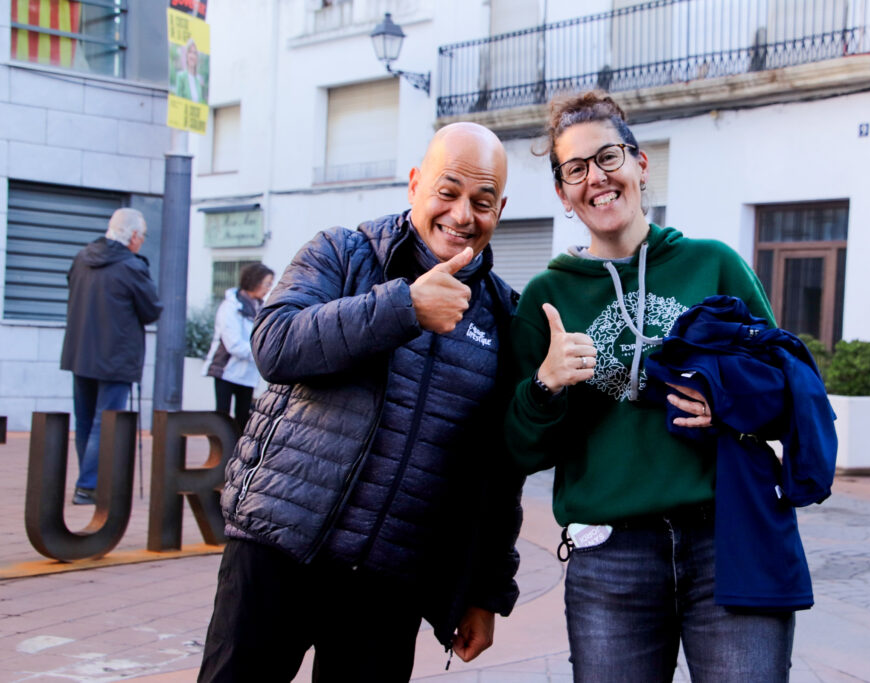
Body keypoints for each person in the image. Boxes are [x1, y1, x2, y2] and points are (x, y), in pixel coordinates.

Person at [199, 122, 525, 682]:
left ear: (501, 208)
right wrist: (403, 308)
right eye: (447, 192)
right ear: (415, 184)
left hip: (388, 582)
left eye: (482, 201)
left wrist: (485, 592)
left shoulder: (502, 315)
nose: (462, 215)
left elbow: (499, 470)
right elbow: (273, 344)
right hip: (279, 546)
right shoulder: (342, 252)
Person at [505, 91, 800, 682]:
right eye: (575, 169)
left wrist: (728, 403)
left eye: (607, 157)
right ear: (563, 194)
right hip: (610, 557)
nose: (596, 178)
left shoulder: (713, 265)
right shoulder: (547, 296)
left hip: (729, 537)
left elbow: (786, 393)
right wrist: (545, 383)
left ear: (640, 165)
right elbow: (520, 449)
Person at [60, 208, 163, 506]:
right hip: (116, 356)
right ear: (133, 236)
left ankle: (89, 482)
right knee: (105, 422)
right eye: (143, 236)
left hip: (80, 353)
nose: (142, 241)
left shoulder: (82, 258)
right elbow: (151, 310)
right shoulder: (131, 267)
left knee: (85, 420)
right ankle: (89, 485)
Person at [202, 263, 274, 432]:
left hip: (248, 374)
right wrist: (260, 353)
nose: (268, 289)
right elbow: (233, 344)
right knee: (222, 420)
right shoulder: (231, 306)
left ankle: (237, 449)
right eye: (267, 284)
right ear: (254, 281)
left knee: (243, 421)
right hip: (226, 371)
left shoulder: (261, 308)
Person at [173, 38, 205, 102]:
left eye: (195, 53)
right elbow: (178, 101)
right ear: (187, 55)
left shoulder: (198, 80)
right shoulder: (181, 77)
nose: (192, 56)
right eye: (190, 52)